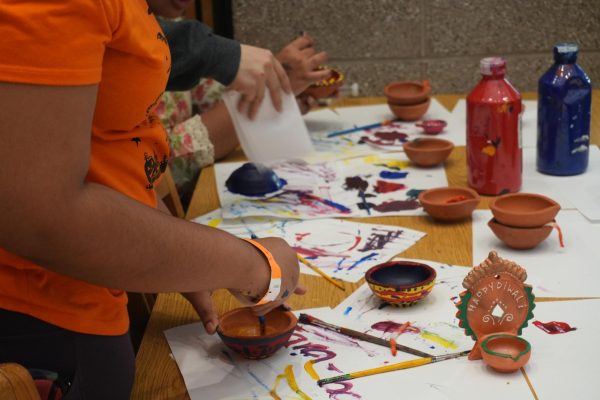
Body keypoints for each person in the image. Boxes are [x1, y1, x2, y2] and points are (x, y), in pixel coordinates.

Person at [0, 1, 304, 398]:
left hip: (96, 291)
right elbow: (43, 212)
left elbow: (109, 157)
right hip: (45, 311)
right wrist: (250, 264)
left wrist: (180, 260)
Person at [147, 0, 331, 206]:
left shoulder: (168, 22)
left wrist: (271, 83)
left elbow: (210, 95)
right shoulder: (121, 41)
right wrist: (270, 91)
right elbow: (163, 163)